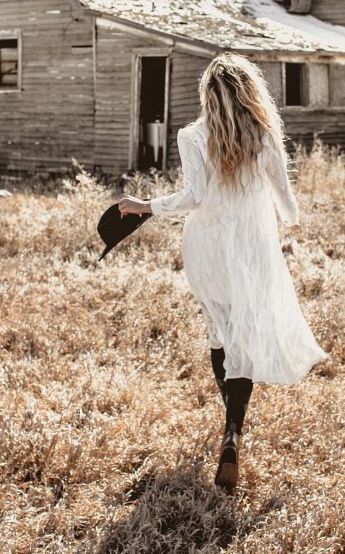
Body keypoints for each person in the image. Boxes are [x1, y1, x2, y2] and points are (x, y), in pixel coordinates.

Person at [118, 52, 328, 493]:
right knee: (244, 337)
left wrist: (145, 206)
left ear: (207, 96)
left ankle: (230, 421)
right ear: (250, 92)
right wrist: (286, 216)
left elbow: (193, 197)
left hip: (206, 249)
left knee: (220, 333)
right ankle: (233, 431)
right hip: (250, 250)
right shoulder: (265, 135)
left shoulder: (192, 135)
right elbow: (288, 205)